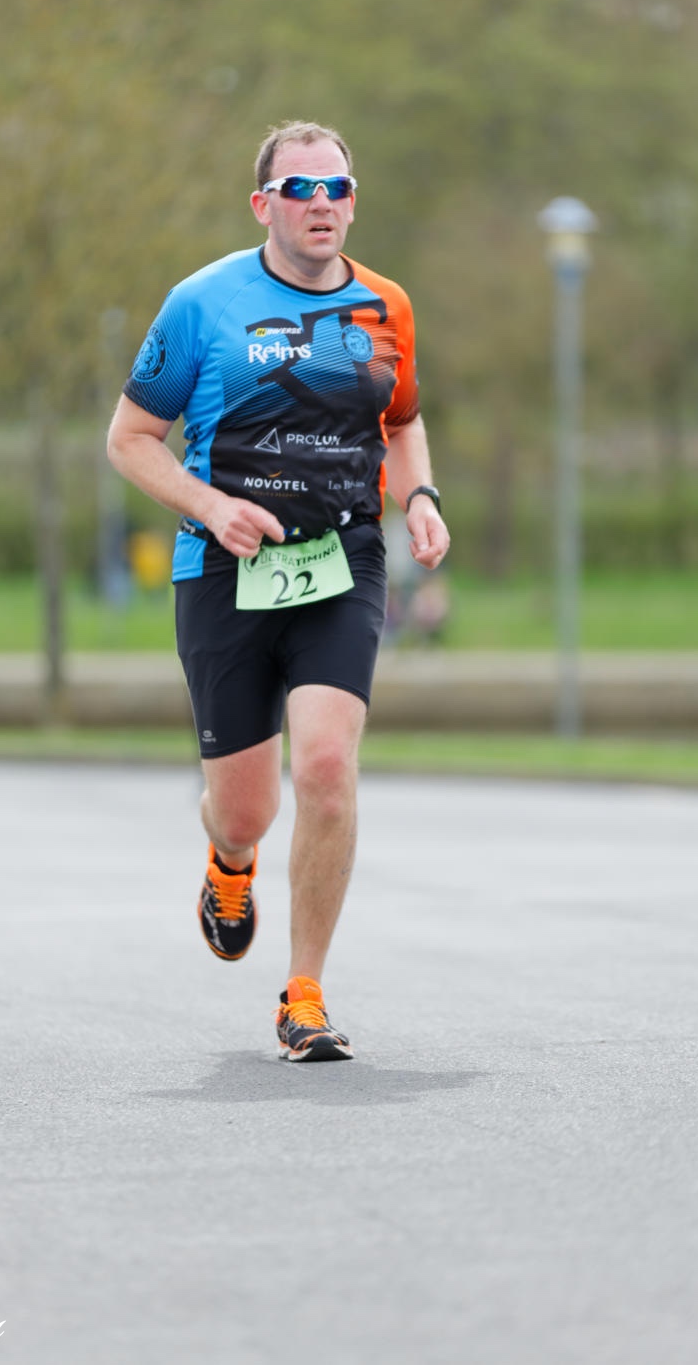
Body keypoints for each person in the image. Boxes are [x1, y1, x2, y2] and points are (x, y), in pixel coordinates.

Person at [107, 120, 450, 1062]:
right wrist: (212, 506)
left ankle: (304, 995)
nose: (321, 203)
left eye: (337, 187)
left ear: (354, 202)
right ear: (264, 205)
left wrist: (419, 496)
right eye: (300, 189)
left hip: (342, 560)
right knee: (246, 810)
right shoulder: (201, 304)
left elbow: (403, 422)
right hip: (225, 570)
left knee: (328, 769)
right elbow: (130, 439)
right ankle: (230, 860)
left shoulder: (386, 305)